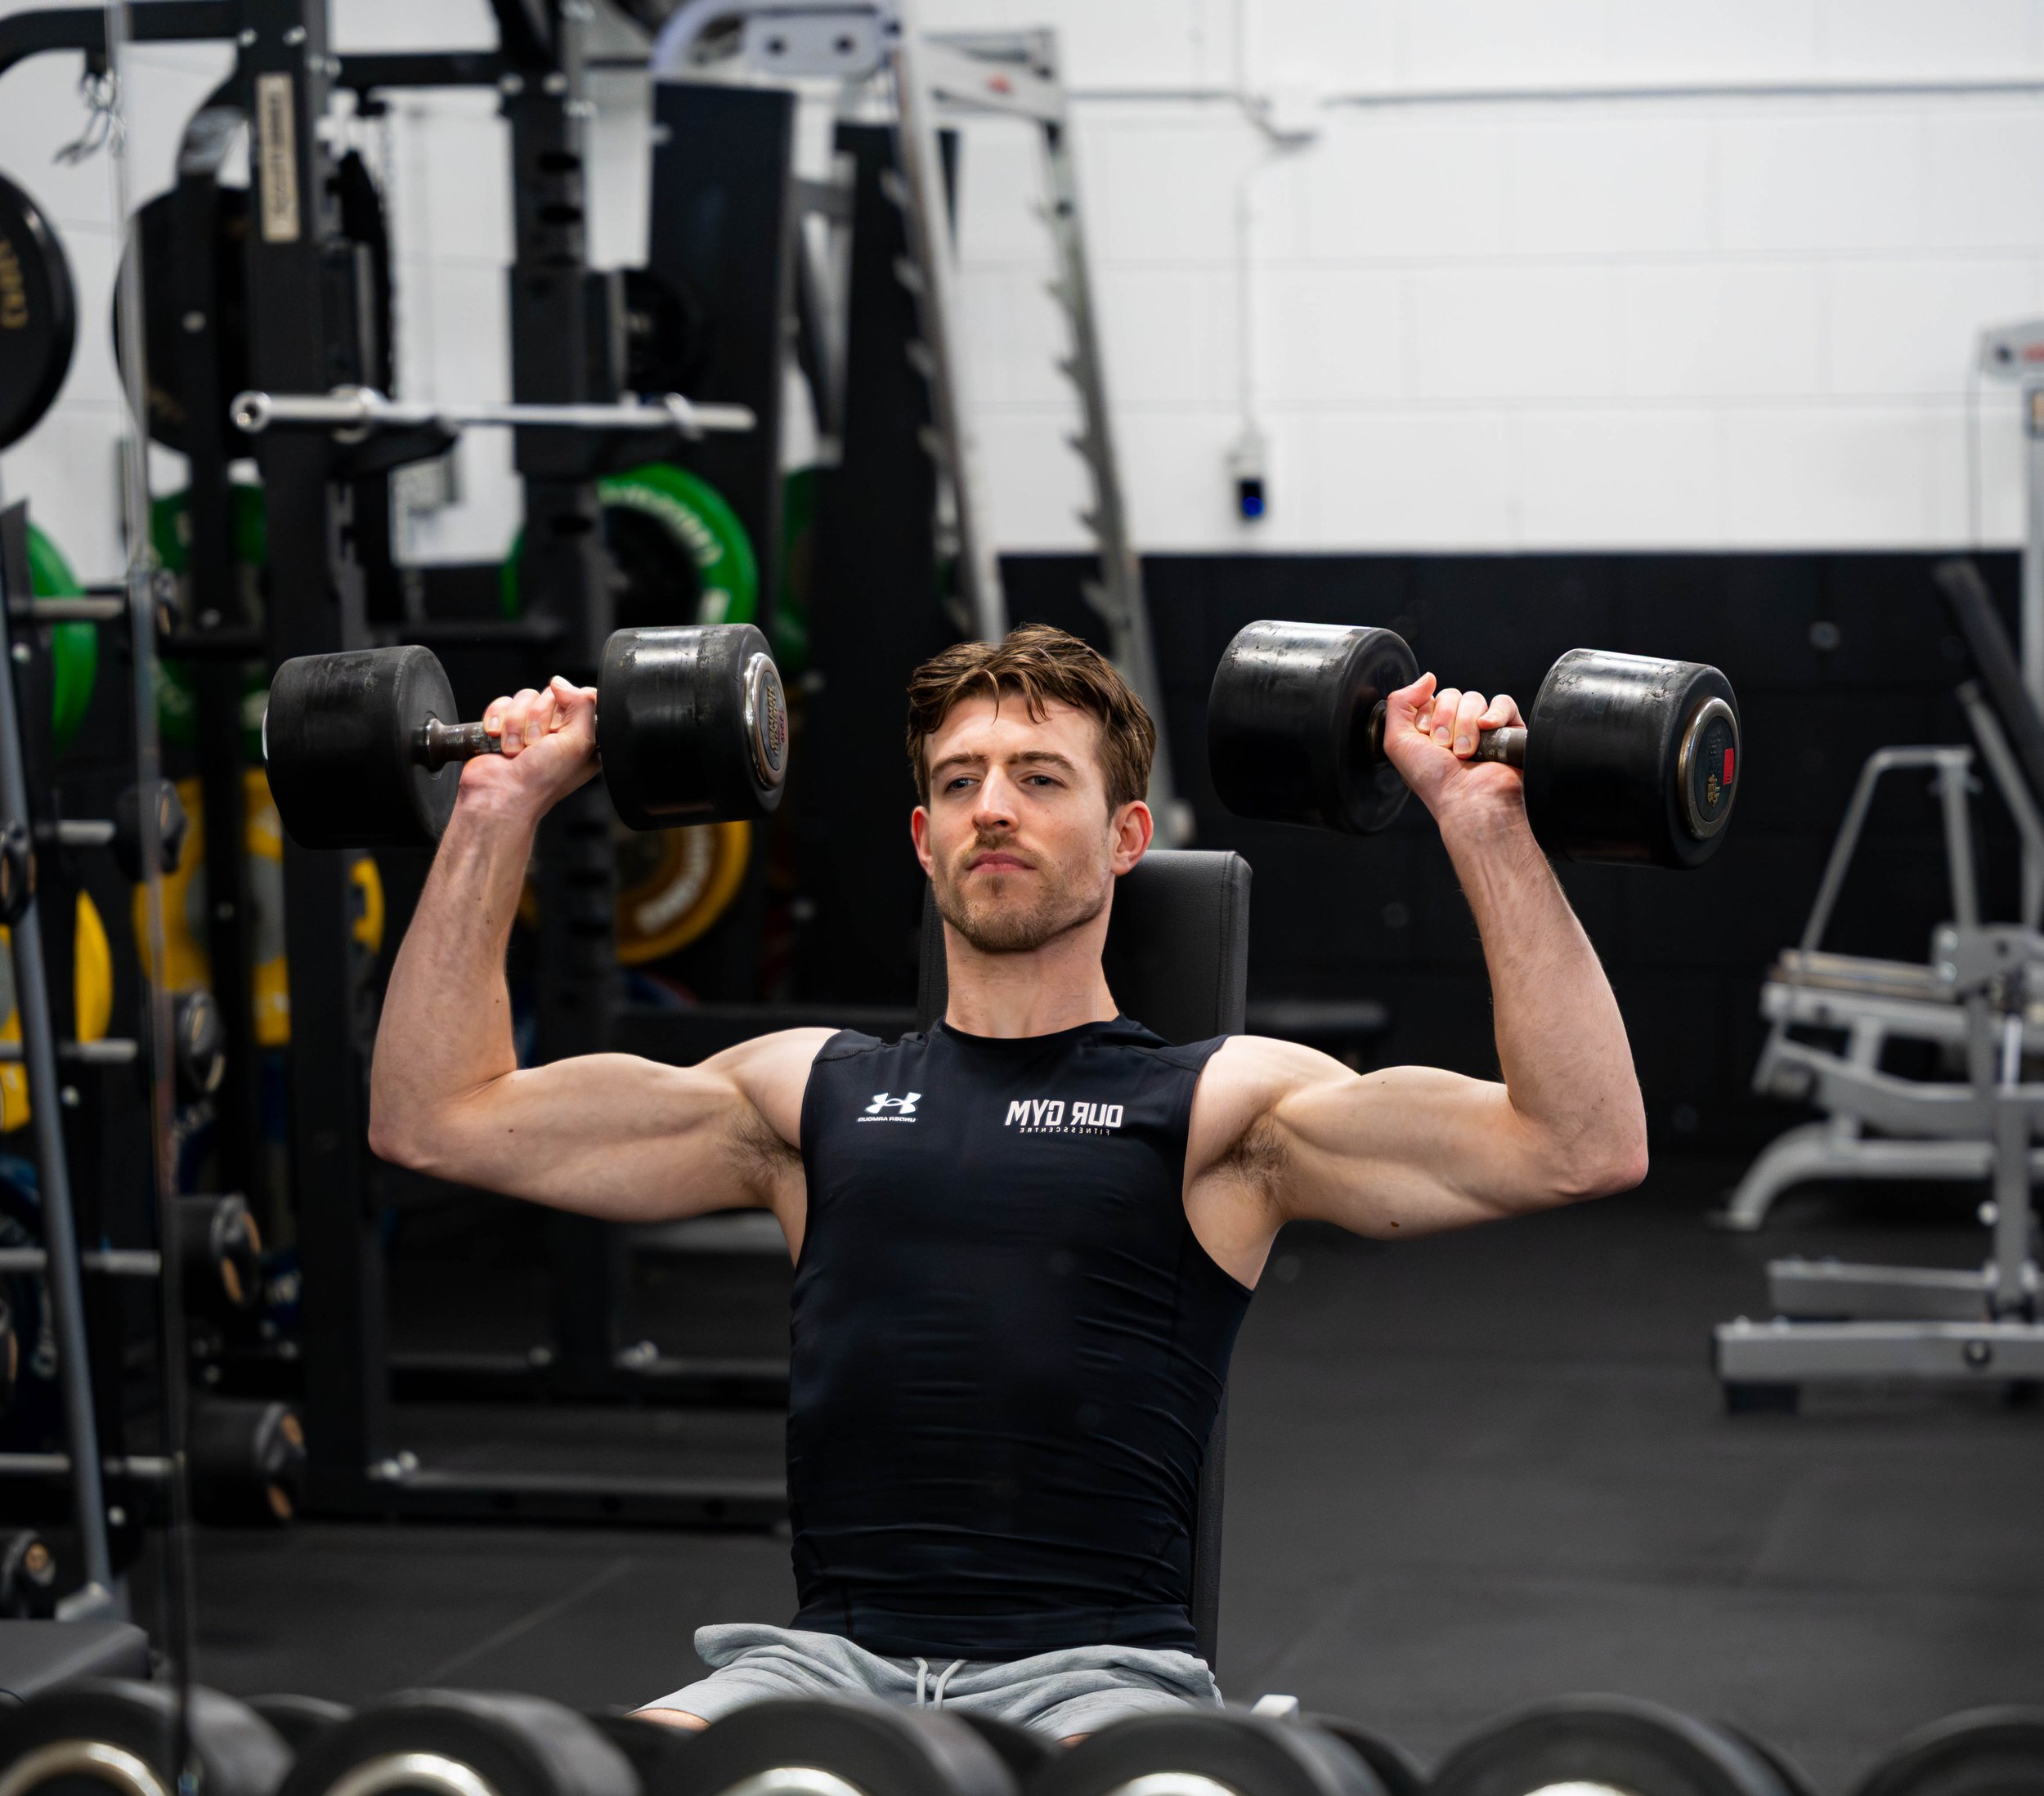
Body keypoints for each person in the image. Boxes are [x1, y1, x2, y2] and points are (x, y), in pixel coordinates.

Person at [369, 623, 1647, 1736]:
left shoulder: (1223, 1109)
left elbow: (1579, 1142)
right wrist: (496, 808)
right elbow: (442, 1118)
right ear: (923, 842)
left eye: (1042, 779)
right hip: (815, 1670)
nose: (995, 807)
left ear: (1126, 833)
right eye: (962, 781)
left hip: (1095, 1687)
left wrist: (1485, 824)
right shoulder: (805, 1096)